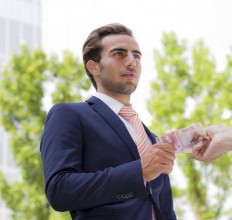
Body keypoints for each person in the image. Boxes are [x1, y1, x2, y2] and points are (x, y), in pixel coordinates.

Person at [40, 23, 177, 220]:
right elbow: (59, 190)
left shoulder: (150, 137)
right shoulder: (69, 115)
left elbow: (164, 209)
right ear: (93, 66)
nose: (132, 62)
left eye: (136, 55)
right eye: (119, 54)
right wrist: (138, 172)